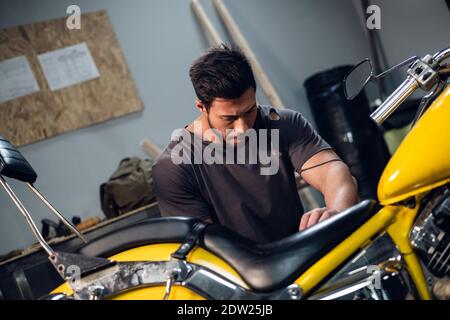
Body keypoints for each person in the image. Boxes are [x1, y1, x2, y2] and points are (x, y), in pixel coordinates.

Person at [152, 45, 358, 243]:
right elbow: (205, 248)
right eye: (229, 119)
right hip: (238, 274)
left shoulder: (283, 124)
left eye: (249, 111)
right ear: (201, 107)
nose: (243, 128)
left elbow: (333, 172)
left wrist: (336, 215)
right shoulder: (173, 167)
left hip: (300, 255)